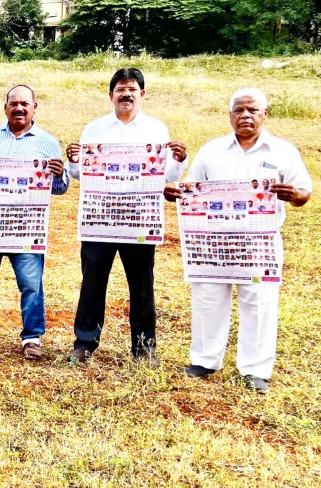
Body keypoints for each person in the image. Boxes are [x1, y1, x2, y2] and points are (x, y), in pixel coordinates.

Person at [165, 88, 311, 393]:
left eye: (252, 110)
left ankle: (255, 370)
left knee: (259, 303)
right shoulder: (211, 150)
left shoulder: (283, 151)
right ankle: (205, 360)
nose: (245, 115)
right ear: (230, 115)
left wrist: (295, 195)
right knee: (208, 299)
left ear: (264, 114)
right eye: (239, 110)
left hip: (259, 241)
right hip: (213, 241)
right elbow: (191, 188)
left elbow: (303, 192)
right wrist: (175, 192)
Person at [64, 68, 189, 366]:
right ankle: (84, 343)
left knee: (142, 285)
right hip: (100, 219)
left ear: (142, 94)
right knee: (92, 282)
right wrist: (73, 160)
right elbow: (81, 173)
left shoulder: (156, 129)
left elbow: (166, 175)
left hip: (138, 219)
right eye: (120, 89)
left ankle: (144, 347)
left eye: (132, 89)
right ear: (111, 95)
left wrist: (179, 160)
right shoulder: (94, 128)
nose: (126, 94)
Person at [0, 85, 69, 360]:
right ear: (5, 107)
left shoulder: (47, 142)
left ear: (35, 108)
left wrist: (58, 175)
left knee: (31, 284)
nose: (19, 108)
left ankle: (32, 337)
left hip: (26, 228)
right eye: (14, 103)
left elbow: (61, 188)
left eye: (25, 104)